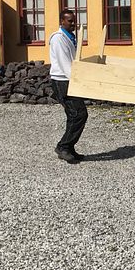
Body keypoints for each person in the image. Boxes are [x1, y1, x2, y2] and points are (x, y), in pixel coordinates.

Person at [49, 9, 87, 164]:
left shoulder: (70, 37)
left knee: (75, 115)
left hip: (69, 79)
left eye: (74, 21)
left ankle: (69, 147)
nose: (73, 24)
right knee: (78, 114)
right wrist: (78, 81)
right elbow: (65, 64)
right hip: (63, 81)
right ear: (61, 21)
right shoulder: (58, 39)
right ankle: (63, 146)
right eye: (70, 21)